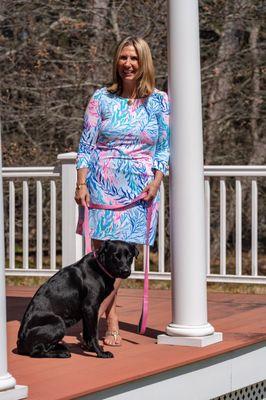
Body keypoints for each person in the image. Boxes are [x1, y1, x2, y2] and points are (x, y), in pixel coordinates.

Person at [75, 36, 170, 346]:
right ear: (116, 62)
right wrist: (81, 184)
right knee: (103, 260)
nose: (128, 64)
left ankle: (98, 314)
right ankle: (110, 317)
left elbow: (164, 148)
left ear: (144, 63)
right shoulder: (101, 98)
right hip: (102, 185)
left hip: (140, 189)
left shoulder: (159, 101)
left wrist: (156, 181)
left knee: (123, 260)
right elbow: (86, 145)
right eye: (123, 58)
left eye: (134, 58)